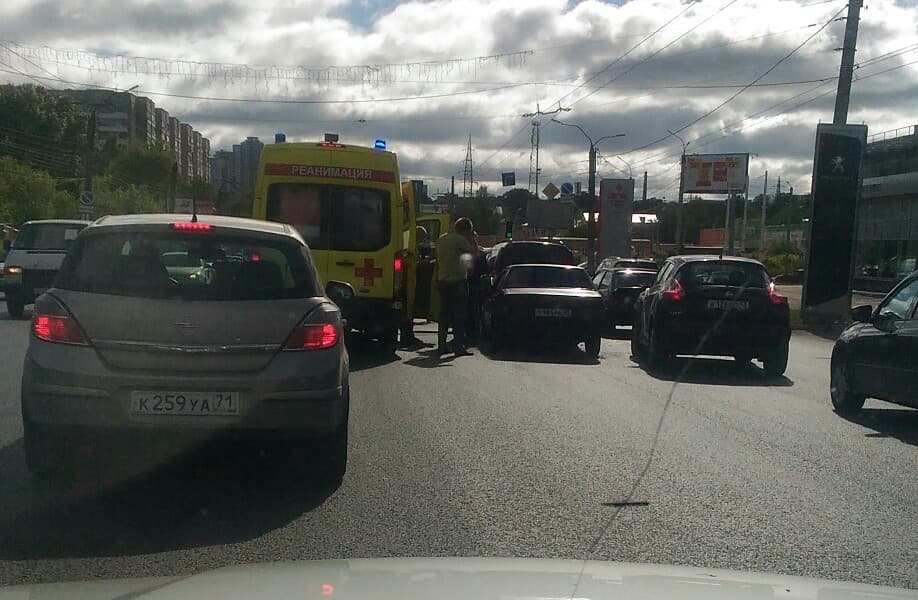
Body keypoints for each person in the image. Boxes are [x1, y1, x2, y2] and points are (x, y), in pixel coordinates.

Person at [436, 217, 475, 356]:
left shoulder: (441, 239)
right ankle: (458, 347)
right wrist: (472, 238)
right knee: (459, 316)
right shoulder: (461, 240)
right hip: (458, 282)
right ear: (465, 230)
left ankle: (441, 346)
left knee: (444, 315)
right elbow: (474, 253)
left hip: (443, 281)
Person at [399, 226, 432, 349]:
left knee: (409, 311)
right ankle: (406, 337)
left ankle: (409, 335)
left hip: (410, 282)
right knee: (406, 311)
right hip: (404, 283)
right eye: (421, 237)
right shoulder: (407, 245)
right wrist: (423, 264)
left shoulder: (412, 245)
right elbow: (407, 263)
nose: (422, 240)